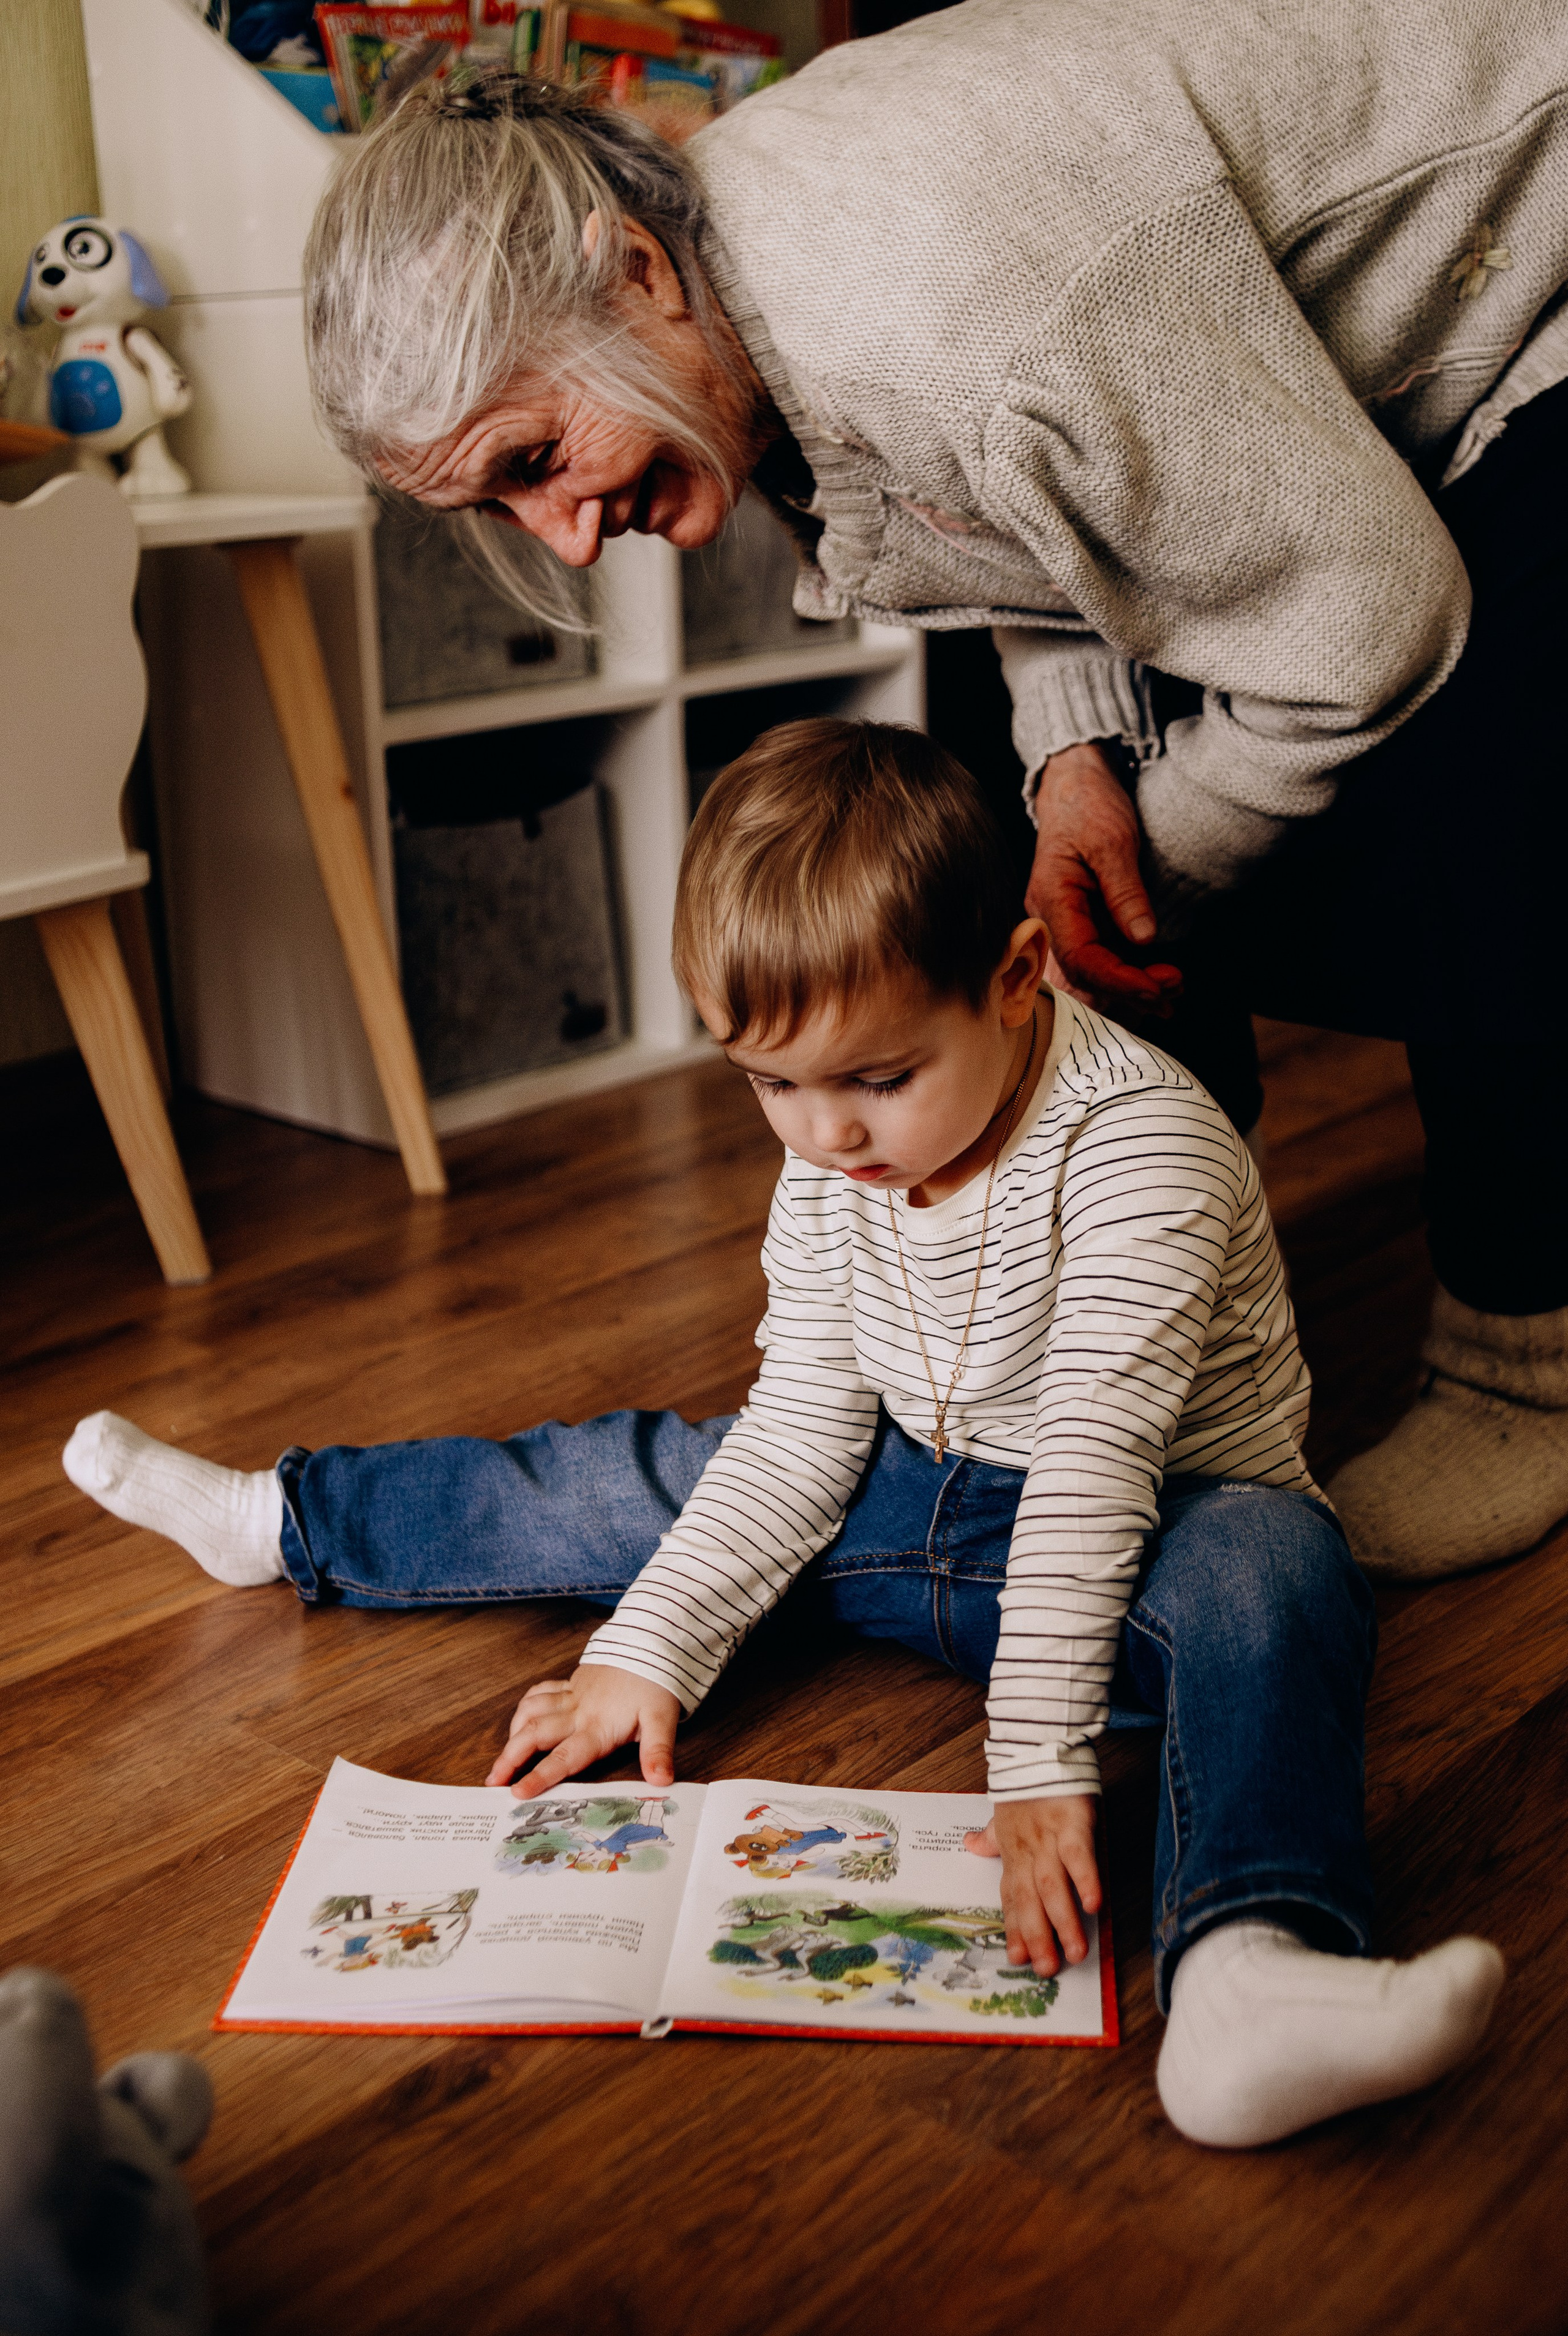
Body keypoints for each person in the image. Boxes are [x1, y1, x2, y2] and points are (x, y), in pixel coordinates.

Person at [64, 718, 1503, 2149]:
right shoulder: (828, 1162)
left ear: (1012, 978)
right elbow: (803, 1425)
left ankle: (1250, 1966)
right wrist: (648, 1647)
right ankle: (292, 1521)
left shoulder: (1147, 1151)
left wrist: (1036, 1770)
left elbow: (1090, 1466)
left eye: (876, 1079)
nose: (825, 1135)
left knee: (1280, 1576)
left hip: (1143, 1534)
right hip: (909, 1501)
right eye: (769, 1084)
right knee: (637, 1474)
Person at [299, 6, 1568, 1583]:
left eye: (536, 455)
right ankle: (1131, 1306)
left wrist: (1167, 845)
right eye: (498, 503)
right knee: (1026, 824)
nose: (561, 537)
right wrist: (1076, 757)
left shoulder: (961, 311)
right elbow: (1017, 514)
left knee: (1490, 776)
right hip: (1241, 349)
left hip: (1536, 265)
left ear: (628, 267)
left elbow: (1371, 617)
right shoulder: (739, 283)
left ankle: (1520, 1361)